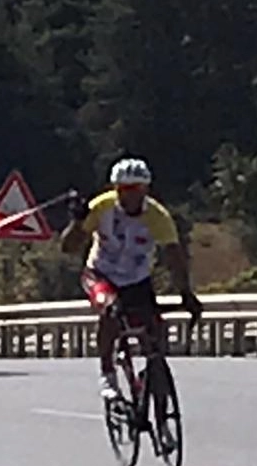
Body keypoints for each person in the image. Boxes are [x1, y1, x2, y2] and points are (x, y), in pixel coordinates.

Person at [59, 157, 202, 400]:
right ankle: (108, 374)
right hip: (100, 274)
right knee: (110, 310)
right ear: (116, 189)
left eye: (136, 188)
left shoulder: (158, 216)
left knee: (153, 329)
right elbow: (68, 248)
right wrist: (77, 221)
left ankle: (152, 373)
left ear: (146, 189)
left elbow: (174, 258)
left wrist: (185, 292)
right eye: (124, 189)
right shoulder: (101, 207)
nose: (130, 194)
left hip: (136, 279)